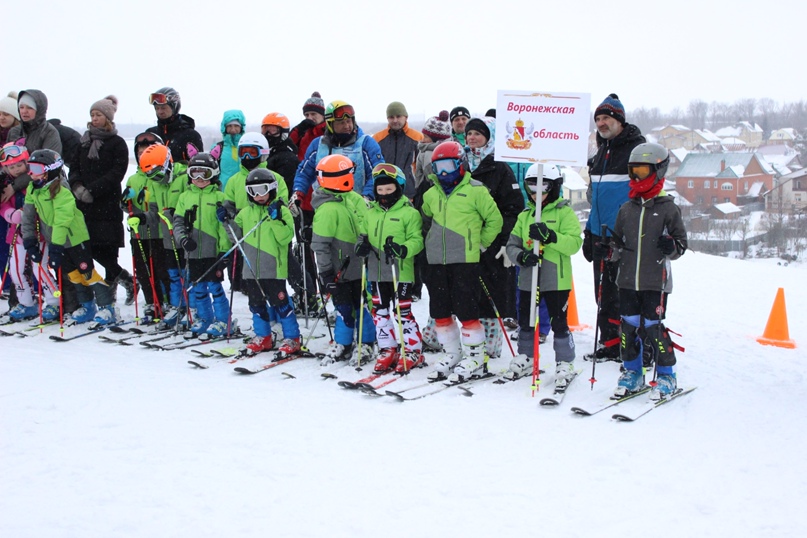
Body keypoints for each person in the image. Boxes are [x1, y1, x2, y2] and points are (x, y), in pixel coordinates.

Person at [602, 143, 688, 400]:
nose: (637, 177)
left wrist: (671, 246)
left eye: (642, 170)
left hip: (655, 281)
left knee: (653, 327)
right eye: (633, 171)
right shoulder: (626, 209)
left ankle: (666, 375)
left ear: (658, 171)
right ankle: (632, 373)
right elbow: (617, 246)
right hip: (627, 280)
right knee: (628, 328)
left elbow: (681, 245)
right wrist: (607, 251)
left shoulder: (668, 208)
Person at [421, 140, 503, 383]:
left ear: (461, 165)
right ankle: (452, 353)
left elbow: (495, 220)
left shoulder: (476, 190)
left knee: (467, 309)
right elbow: (425, 220)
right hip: (437, 260)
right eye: (437, 168)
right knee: (440, 310)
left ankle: (476, 356)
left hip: (465, 260)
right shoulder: (430, 193)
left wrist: (480, 243)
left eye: (448, 166)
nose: (443, 173)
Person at [504, 164, 583, 389]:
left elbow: (574, 243)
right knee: (527, 320)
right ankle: (526, 356)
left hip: (556, 278)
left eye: (544, 187)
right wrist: (522, 256)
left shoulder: (563, 212)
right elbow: (512, 244)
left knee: (559, 321)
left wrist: (550, 237)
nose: (537, 193)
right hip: (529, 278)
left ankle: (565, 361)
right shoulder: (525, 215)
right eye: (531, 187)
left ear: (555, 186)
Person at [21, 149, 119, 325]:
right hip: (56, 241)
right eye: (30, 167)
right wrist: (29, 240)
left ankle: (108, 307)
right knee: (73, 275)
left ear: (49, 170)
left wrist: (56, 246)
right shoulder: (33, 189)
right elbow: (27, 216)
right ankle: (88, 306)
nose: (30, 173)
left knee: (87, 273)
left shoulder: (62, 191)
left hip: (74, 239)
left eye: (35, 168)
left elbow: (61, 221)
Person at [584, 93, 646, 361]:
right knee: (603, 294)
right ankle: (610, 343)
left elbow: (644, 194)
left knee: (626, 295)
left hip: (625, 237)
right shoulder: (601, 152)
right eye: (598, 119)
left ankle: (631, 346)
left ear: (620, 120)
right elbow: (596, 198)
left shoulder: (636, 150)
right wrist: (589, 231)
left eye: (606, 118)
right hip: (600, 235)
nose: (601, 123)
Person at [220, 168, 302, 357]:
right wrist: (226, 221)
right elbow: (236, 238)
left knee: (280, 303)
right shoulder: (245, 213)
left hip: (273, 268)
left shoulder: (282, 211)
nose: (258, 195)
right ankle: (263, 336)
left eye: (262, 190)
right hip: (251, 269)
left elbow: (285, 238)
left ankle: (292, 338)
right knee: (256, 304)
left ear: (272, 189)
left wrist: (276, 219)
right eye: (253, 191)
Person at [355, 163, 424, 374]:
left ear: (399, 188)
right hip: (376, 270)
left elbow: (417, 240)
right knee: (380, 311)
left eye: (389, 189)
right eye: (380, 189)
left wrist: (403, 249)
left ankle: (412, 349)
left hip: (400, 270)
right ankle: (387, 348)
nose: (384, 194)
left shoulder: (408, 213)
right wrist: (362, 244)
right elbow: (363, 233)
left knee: (401, 312)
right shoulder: (371, 212)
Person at [465, 116, 524, 360]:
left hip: (492, 242)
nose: (472, 138)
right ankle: (472, 345)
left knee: (491, 294)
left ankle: (491, 345)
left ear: (488, 137)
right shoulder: (460, 164)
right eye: (469, 134)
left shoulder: (499, 167)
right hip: (466, 241)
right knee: (467, 294)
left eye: (478, 133)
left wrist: (503, 242)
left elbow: (513, 208)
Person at [310, 154, 376, 365]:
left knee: (363, 306)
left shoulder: (355, 198)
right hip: (340, 270)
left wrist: (367, 240)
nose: (351, 177)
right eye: (348, 173)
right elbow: (320, 245)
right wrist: (326, 272)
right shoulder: (327, 209)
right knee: (344, 308)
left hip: (361, 266)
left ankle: (366, 343)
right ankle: (343, 343)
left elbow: (369, 223)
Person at [69, 95, 134, 305]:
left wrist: (93, 190)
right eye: (92, 114)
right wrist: (78, 187)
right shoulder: (84, 141)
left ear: (107, 117)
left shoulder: (117, 143)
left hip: (106, 202)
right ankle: (123, 280)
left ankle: (113, 286)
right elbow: (74, 167)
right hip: (83, 205)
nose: (94, 118)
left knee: (106, 248)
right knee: (89, 247)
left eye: (98, 115)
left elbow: (118, 171)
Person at [172, 153, 234, 338]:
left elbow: (225, 228)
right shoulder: (184, 197)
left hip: (212, 251)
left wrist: (224, 251)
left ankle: (224, 320)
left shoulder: (219, 197)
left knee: (214, 286)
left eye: (204, 174)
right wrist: (182, 239)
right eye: (195, 174)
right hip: (192, 251)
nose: (199, 179)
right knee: (198, 286)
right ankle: (205, 318)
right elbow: (178, 222)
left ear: (213, 174)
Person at [131, 143, 190, 327]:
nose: (156, 180)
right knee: (173, 275)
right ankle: (176, 307)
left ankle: (192, 308)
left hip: (185, 237)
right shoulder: (156, 184)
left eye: (157, 174)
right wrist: (141, 218)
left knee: (187, 275)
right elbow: (155, 212)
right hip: (167, 237)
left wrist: (178, 213)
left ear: (168, 163)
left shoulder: (183, 178)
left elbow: (194, 203)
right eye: (150, 177)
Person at [0, 144, 59, 322]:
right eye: (12, 167)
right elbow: (4, 205)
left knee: (39, 267)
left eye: (19, 165)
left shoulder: (36, 182)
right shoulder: (6, 185)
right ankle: (27, 303)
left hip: (38, 233)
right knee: (16, 270)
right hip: (16, 235)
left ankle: (54, 301)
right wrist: (10, 214)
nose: (16, 170)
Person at [291, 100, 384, 207]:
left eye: (349, 121)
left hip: (358, 209)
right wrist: (298, 193)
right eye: (341, 123)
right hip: (325, 208)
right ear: (330, 124)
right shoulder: (318, 145)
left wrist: (367, 197)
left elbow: (377, 173)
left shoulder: (365, 144)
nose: (346, 126)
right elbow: (304, 173)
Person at [121, 132, 172, 323]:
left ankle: (165, 302)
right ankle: (151, 302)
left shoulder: (159, 177)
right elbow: (129, 206)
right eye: (140, 150)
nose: (143, 154)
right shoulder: (134, 179)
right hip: (139, 233)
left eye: (148, 150)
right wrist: (125, 203)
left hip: (159, 232)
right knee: (143, 271)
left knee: (160, 269)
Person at [288, 93, 327, 316]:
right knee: (305, 245)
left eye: (314, 114)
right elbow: (287, 146)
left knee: (324, 246)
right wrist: (298, 129)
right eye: (307, 114)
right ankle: (310, 287)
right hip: (305, 199)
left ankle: (328, 282)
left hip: (323, 198)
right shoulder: (301, 132)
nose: (310, 118)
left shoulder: (326, 134)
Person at [372, 102, 423, 199]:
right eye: (391, 117)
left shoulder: (417, 137)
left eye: (398, 116)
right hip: (384, 191)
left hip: (410, 192)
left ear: (406, 117)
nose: (395, 120)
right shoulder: (377, 138)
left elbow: (421, 166)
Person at [146, 87, 203, 162]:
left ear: (174, 107)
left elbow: (198, 166)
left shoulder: (191, 136)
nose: (160, 112)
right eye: (157, 108)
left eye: (163, 108)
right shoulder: (150, 134)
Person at [261, 112, 299, 195]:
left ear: (283, 132)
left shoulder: (287, 158)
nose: (268, 134)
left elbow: (284, 186)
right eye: (265, 130)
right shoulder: (268, 152)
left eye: (272, 130)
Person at [211, 110, 245, 189]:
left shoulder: (247, 147)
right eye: (229, 126)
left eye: (236, 126)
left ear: (241, 127)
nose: (233, 129)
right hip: (223, 191)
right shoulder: (217, 148)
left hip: (243, 191)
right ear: (224, 128)